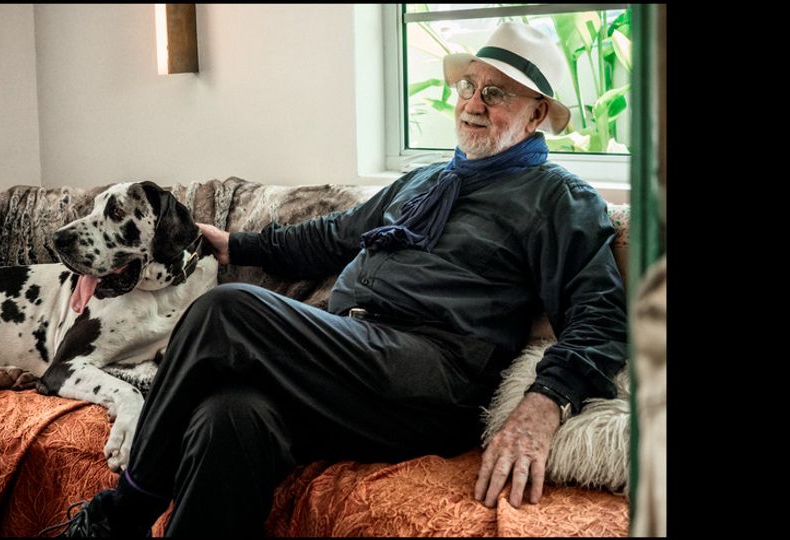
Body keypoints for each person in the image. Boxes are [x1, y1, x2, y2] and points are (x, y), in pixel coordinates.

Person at [47, 21, 627, 537]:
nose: (473, 103)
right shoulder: (423, 182)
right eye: (468, 86)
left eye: (496, 93)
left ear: (534, 115)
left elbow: (599, 316)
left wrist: (544, 402)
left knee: (226, 312)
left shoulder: (559, 198)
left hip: (431, 374)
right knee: (228, 417)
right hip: (349, 359)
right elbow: (332, 236)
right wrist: (235, 244)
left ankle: (120, 514)